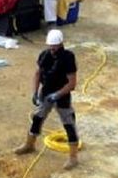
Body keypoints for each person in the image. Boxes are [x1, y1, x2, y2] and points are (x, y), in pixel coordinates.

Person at [14, 29, 80, 170]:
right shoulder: (44, 55)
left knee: (69, 124)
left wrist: (58, 94)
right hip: (46, 93)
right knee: (37, 118)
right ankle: (29, 144)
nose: (52, 48)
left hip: (62, 96)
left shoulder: (68, 58)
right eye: (50, 46)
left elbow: (72, 82)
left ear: (61, 43)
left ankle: (73, 157)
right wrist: (35, 93)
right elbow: (37, 74)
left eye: (55, 46)